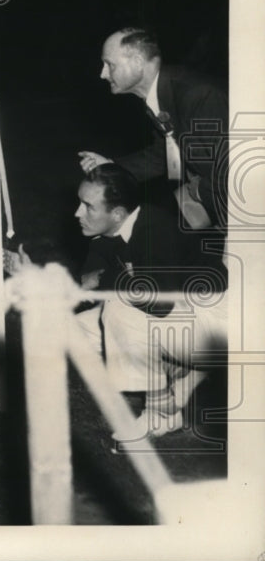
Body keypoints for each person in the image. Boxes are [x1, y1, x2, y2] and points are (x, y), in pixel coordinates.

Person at [69, 164, 226, 446]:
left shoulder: (156, 228)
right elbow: (86, 284)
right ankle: (177, 381)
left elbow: (156, 303)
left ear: (117, 214)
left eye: (87, 206)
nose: (77, 213)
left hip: (218, 325)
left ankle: (159, 407)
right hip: (179, 318)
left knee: (118, 310)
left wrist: (105, 280)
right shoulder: (106, 233)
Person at [78, 26, 228, 231]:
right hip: (211, 187)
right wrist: (113, 165)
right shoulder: (161, 93)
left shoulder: (199, 96)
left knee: (160, 234)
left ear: (138, 62)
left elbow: (233, 173)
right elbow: (165, 154)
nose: (102, 74)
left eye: (109, 65)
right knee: (152, 230)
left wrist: (196, 191)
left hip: (240, 198)